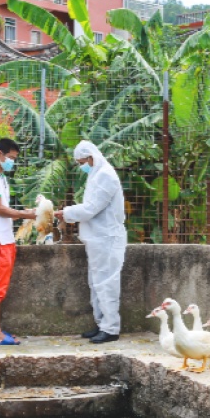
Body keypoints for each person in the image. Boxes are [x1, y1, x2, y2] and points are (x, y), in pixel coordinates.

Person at [55, 140, 126, 344]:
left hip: (107, 238)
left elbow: (90, 208)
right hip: (98, 238)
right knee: (96, 284)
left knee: (107, 284)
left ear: (91, 157)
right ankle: (102, 324)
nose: (81, 166)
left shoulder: (106, 176)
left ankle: (111, 328)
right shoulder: (97, 175)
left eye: (82, 162)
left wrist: (65, 213)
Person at [0, 138, 36, 345]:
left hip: (4, 239)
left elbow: (6, 212)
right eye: (10, 158)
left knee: (0, 287)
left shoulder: (0, 177)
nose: (12, 162)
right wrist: (27, 215)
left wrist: (26, 213)